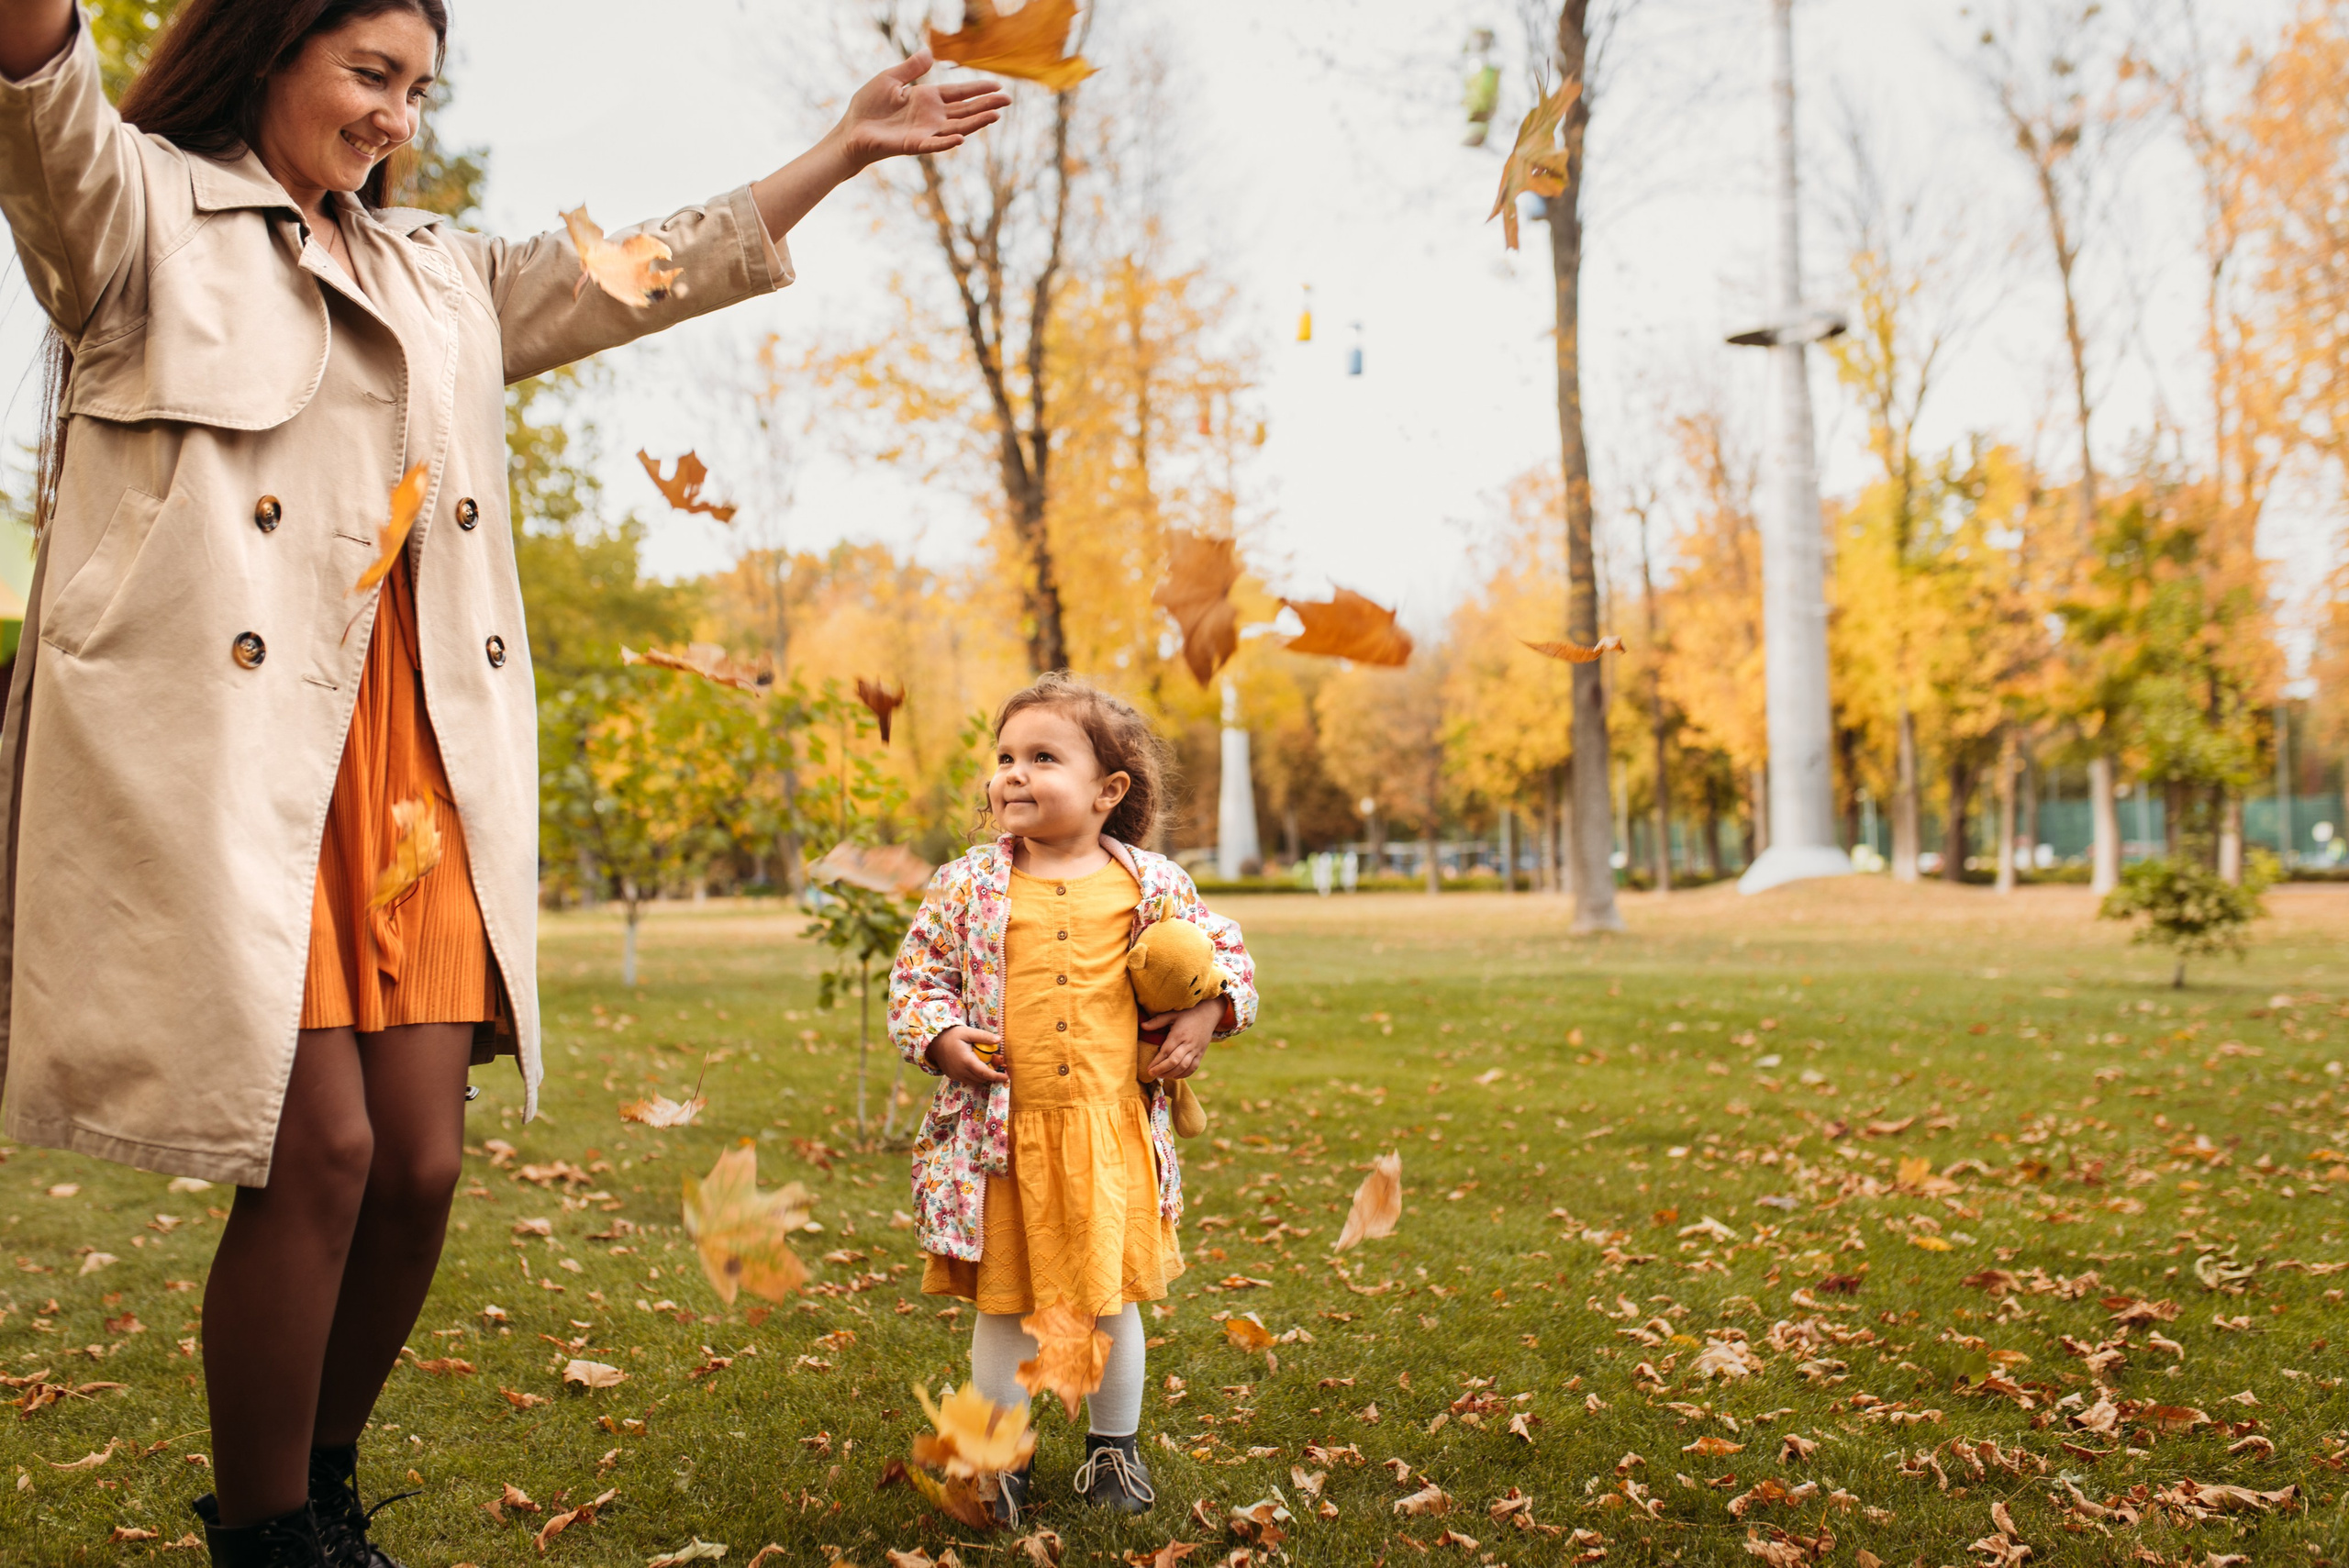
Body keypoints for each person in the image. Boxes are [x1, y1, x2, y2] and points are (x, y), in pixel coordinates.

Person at [0, 4, 1006, 1565]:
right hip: (238, 759)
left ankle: (325, 1487)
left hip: (412, 757)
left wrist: (848, 148)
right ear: (270, 49)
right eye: (369, 73)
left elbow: (637, 271)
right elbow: (39, 79)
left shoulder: (441, 273)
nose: (398, 113)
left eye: (419, 88)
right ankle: (263, 1531)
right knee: (317, 1149)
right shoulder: (135, 211)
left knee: (418, 1155)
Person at [888, 673, 1259, 1524]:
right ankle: (998, 1460)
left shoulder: (1153, 883)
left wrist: (1206, 1010)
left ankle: (1112, 1454)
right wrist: (942, 1039)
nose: (1013, 774)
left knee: (1107, 1302)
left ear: (1107, 790)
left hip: (1109, 1133)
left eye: (1042, 757)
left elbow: (1228, 961)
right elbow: (917, 981)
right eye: (1006, 757)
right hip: (1001, 1138)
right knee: (1005, 1307)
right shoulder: (967, 884)